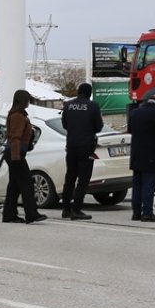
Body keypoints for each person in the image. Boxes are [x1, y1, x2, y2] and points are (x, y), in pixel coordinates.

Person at [1, 89, 45, 224]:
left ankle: (9, 215)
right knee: (27, 184)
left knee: (14, 185)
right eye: (27, 100)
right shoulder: (18, 116)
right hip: (16, 154)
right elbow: (15, 137)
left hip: (15, 153)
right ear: (22, 100)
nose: (29, 102)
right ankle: (31, 214)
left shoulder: (18, 114)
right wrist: (16, 157)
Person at [60, 82, 102, 220]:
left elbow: (65, 124)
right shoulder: (93, 106)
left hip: (71, 145)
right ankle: (76, 209)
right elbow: (99, 127)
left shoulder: (68, 105)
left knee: (70, 177)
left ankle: (66, 208)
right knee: (83, 179)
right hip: (86, 147)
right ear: (89, 93)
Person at [128, 93, 155, 222]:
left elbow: (130, 130)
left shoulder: (135, 112)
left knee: (137, 184)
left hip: (136, 153)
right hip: (150, 153)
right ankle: (147, 213)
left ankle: (136, 212)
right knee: (148, 184)